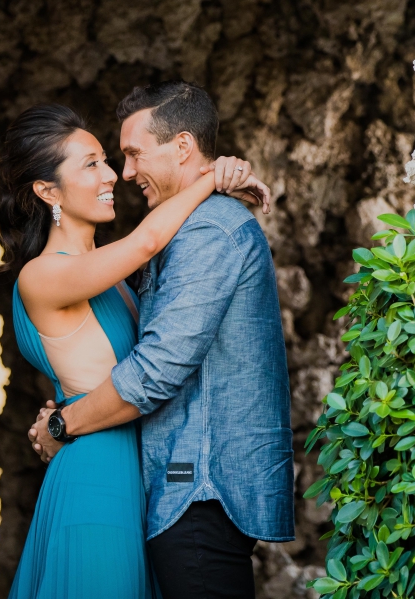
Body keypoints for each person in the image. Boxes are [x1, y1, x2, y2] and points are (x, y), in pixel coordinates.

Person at [30, 81, 296, 599]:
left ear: (182, 147)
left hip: (197, 491)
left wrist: (62, 424)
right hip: (177, 490)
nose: (125, 173)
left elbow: (155, 370)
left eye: (132, 154)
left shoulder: (209, 232)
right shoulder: (188, 228)